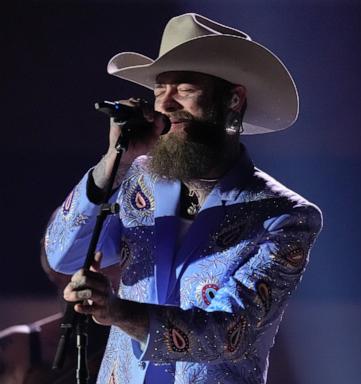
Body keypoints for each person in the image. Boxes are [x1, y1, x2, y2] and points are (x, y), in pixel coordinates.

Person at [44, 13, 322, 384]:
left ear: (233, 100)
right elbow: (62, 252)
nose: (165, 104)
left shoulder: (285, 216)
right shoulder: (137, 177)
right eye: (160, 89)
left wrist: (118, 312)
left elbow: (229, 334)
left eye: (185, 88)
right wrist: (115, 160)